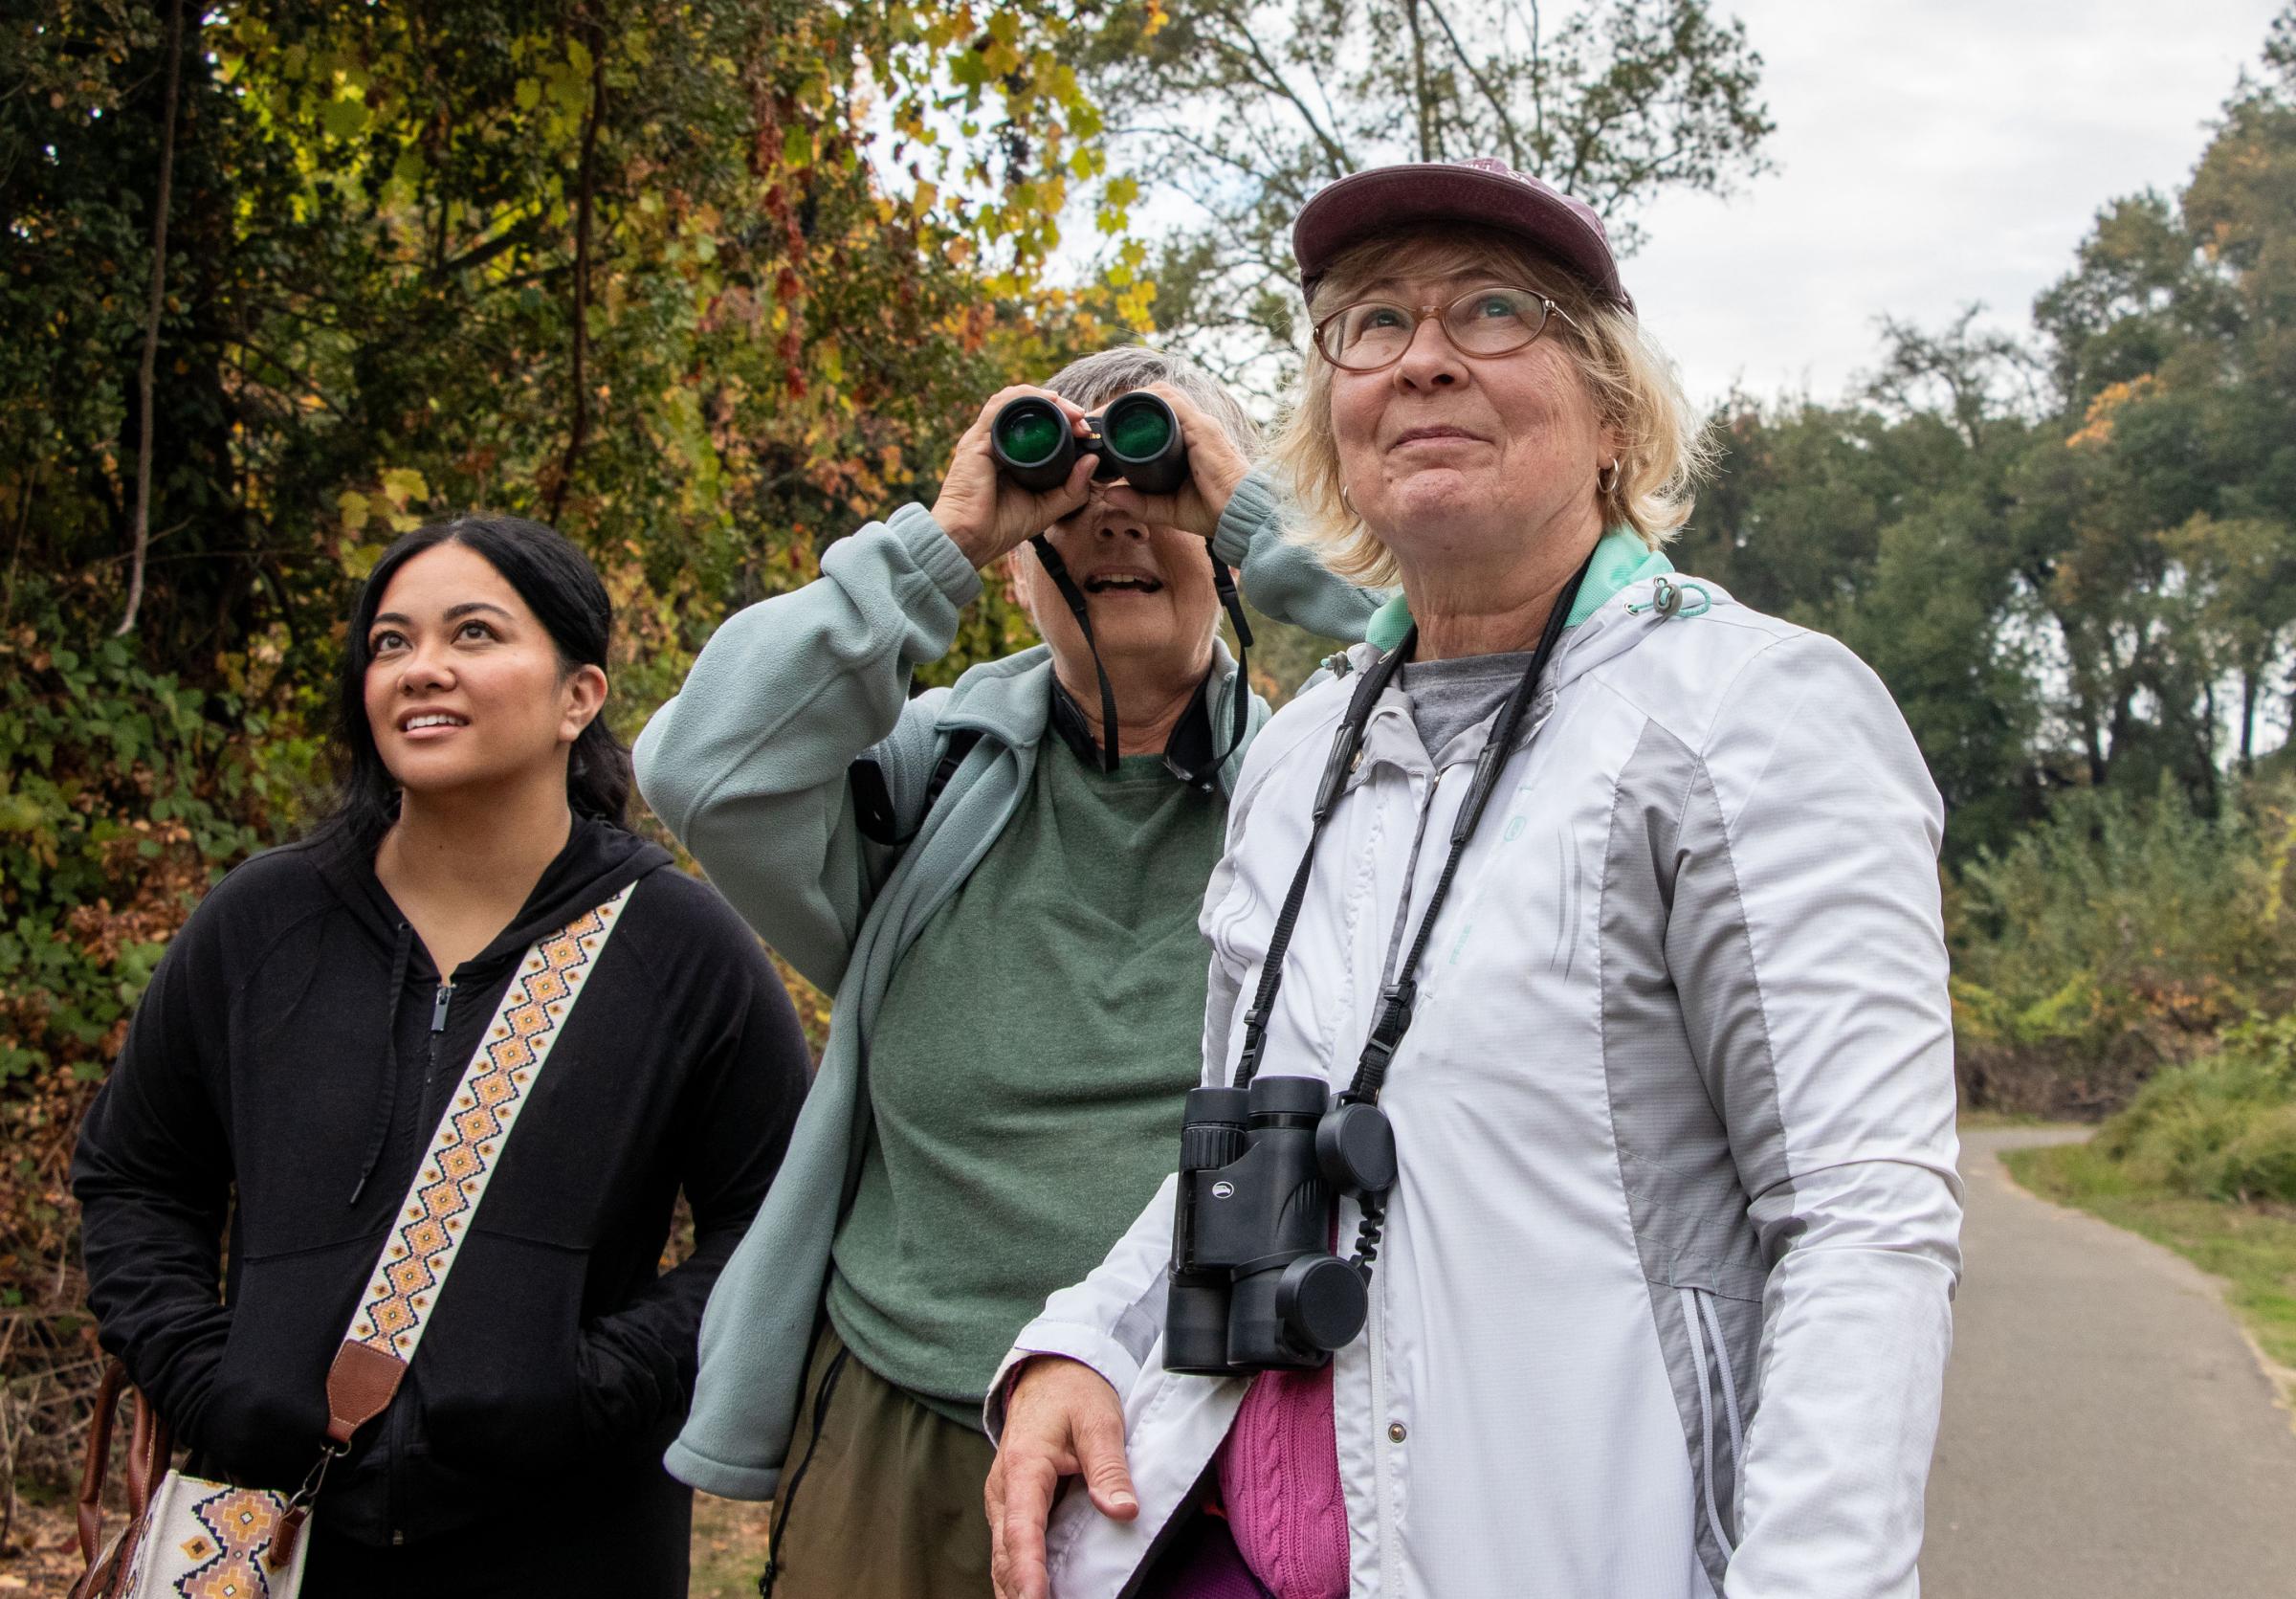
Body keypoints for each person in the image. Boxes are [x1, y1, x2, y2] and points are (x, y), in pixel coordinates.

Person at [985, 159, 1964, 1599]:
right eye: (1370, 325)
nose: (1424, 357)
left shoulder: (1750, 712)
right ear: (1334, 413)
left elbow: (1861, 1219)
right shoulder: (1305, 744)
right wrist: (1081, 1333)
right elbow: (1256, 1141)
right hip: (1212, 1545)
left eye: (1496, 311)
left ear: (1616, 411)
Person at [633, 345, 1381, 1597]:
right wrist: (944, 535)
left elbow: (1526, 645)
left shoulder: (1342, 790)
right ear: (1019, 565)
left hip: (1199, 1424)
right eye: (1075, 511)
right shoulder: (930, 777)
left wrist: (1261, 507)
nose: (1119, 525)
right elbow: (700, 762)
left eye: (1163, 493)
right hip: (905, 1418)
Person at [71, 516, 810, 1598]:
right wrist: (207, 1377)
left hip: (573, 1535)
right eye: (390, 642)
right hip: (265, 1535)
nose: (423, 669)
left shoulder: (677, 947)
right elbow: (135, 1175)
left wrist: (593, 1386)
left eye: (474, 633)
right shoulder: (261, 924)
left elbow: (777, 1216)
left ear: (579, 696)